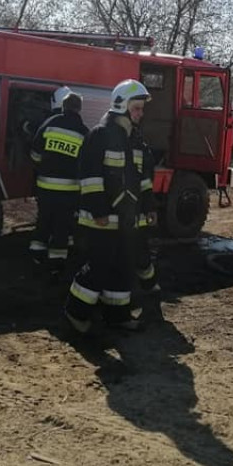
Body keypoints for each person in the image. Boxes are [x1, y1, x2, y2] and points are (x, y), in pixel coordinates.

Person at [64, 79, 152, 333]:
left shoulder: (135, 140)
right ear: (122, 106)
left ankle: (118, 316)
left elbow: (143, 180)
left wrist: (149, 207)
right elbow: (90, 178)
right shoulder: (99, 135)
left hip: (126, 220)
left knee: (122, 267)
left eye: (142, 109)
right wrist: (99, 211)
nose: (141, 114)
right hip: (101, 220)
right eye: (136, 108)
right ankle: (75, 312)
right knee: (98, 267)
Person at [28, 87, 88, 273]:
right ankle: (56, 265)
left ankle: (36, 255)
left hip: (45, 187)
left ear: (63, 107)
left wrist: (43, 168)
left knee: (44, 220)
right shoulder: (84, 132)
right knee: (62, 225)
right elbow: (87, 165)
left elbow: (35, 154)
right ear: (79, 109)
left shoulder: (49, 123)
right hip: (69, 192)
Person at [130, 122, 160, 294]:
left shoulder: (114, 146)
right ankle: (149, 284)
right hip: (137, 210)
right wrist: (150, 208)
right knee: (140, 249)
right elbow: (147, 184)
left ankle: (148, 284)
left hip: (127, 212)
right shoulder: (143, 150)